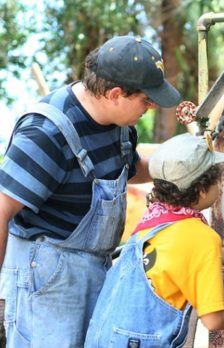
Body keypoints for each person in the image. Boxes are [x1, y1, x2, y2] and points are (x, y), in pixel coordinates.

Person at [0, 35, 182, 347]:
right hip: (47, 278)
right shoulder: (46, 134)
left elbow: (127, 167)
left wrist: (180, 165)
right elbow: (1, 211)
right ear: (115, 93)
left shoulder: (119, 123)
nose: (151, 107)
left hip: (93, 267)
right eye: (146, 100)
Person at [85, 133, 224, 347]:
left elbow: (183, 254)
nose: (220, 186)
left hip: (102, 337)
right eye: (218, 181)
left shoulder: (156, 221)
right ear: (202, 189)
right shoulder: (201, 237)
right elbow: (214, 320)